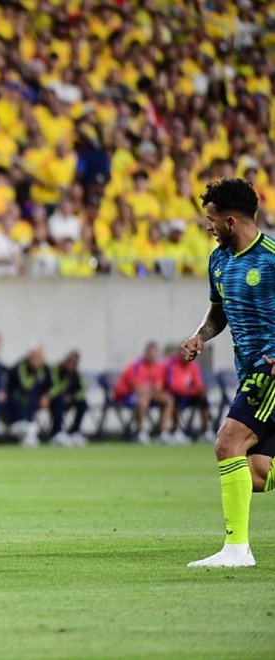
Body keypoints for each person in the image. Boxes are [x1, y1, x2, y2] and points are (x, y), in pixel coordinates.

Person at [180, 178, 275, 568]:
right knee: (256, 472)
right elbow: (218, 312)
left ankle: (237, 550)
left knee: (227, 443)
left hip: (269, 373)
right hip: (247, 371)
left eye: (211, 218)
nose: (208, 226)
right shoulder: (218, 260)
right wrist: (200, 336)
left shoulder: (270, 258)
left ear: (231, 221)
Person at [113, 342, 175, 444]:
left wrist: (153, 391)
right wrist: (149, 391)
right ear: (145, 353)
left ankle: (162, 431)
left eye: (155, 355)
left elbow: (158, 387)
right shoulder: (135, 366)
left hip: (149, 394)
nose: (153, 357)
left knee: (168, 399)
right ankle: (140, 431)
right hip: (127, 395)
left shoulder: (157, 367)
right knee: (143, 399)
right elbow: (136, 388)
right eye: (151, 354)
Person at [163, 346, 212, 444]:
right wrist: (190, 390)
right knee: (174, 398)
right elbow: (174, 386)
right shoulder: (172, 364)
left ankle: (205, 431)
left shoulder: (194, 365)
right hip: (177, 395)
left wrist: (195, 390)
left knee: (203, 398)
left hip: (189, 394)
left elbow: (198, 385)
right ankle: (176, 431)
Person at [7, 345, 52, 448]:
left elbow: (50, 385)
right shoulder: (20, 366)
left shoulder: (45, 368)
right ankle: (23, 426)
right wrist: (35, 372)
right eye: (34, 356)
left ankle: (57, 433)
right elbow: (25, 385)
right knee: (24, 397)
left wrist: (46, 396)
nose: (37, 359)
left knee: (59, 400)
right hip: (19, 401)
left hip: (37, 400)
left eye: (39, 356)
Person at [49, 350, 88, 447]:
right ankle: (56, 433)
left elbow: (83, 390)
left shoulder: (77, 374)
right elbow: (53, 388)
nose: (71, 365)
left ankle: (75, 432)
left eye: (74, 363)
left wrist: (73, 397)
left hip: (70, 399)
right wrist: (65, 384)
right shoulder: (56, 370)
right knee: (59, 401)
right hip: (55, 399)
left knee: (83, 403)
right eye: (70, 361)